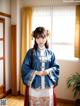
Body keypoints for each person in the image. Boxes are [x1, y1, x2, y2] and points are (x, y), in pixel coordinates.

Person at [22, 26, 60, 106]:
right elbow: (25, 67)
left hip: (47, 86)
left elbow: (56, 67)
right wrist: (36, 72)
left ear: (46, 38)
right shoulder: (30, 52)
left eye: (43, 37)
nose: (40, 40)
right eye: (38, 38)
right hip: (34, 85)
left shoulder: (51, 53)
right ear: (35, 39)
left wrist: (48, 71)